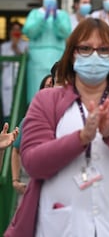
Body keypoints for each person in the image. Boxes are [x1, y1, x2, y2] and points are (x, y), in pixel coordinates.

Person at [4, 18, 109, 237]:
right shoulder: (45, 101)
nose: (94, 56)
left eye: (103, 50)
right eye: (85, 49)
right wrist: (81, 138)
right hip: (58, 227)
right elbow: (32, 162)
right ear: (72, 54)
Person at [22, 0, 71, 103]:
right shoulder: (35, 14)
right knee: (37, 90)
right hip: (37, 61)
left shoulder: (62, 15)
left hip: (57, 57)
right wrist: (42, 19)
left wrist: (56, 18)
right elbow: (29, 31)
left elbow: (65, 32)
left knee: (57, 88)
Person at [12, 74, 54, 204]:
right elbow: (16, 151)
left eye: (55, 85)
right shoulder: (28, 120)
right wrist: (15, 181)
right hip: (30, 184)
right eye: (48, 86)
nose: (52, 89)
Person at [1, 21, 28, 120]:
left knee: (20, 107)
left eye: (18, 30)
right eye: (14, 30)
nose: (16, 32)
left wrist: (16, 48)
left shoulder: (26, 45)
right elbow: (4, 63)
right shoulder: (4, 46)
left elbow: (25, 58)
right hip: (7, 81)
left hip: (20, 81)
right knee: (8, 109)